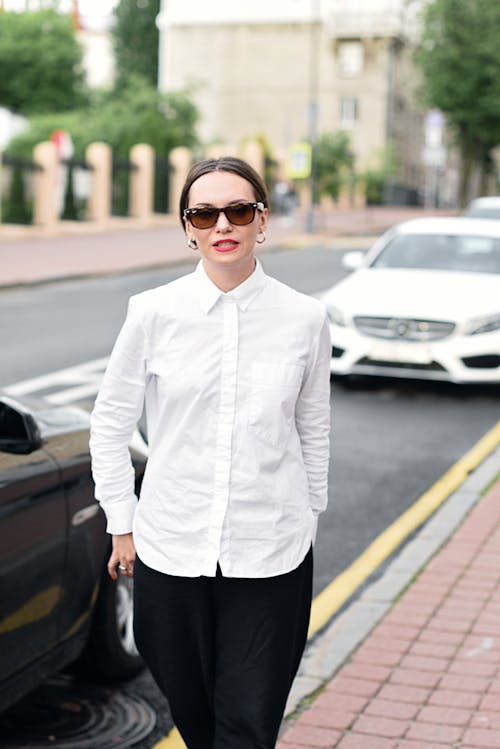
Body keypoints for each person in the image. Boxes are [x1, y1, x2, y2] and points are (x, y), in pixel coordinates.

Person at [89, 156, 331, 749]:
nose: (223, 224)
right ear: (188, 227)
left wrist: (309, 516)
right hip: (171, 549)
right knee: (196, 719)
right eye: (205, 212)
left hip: (270, 553)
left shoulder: (305, 317)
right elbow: (110, 424)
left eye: (238, 210)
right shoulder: (152, 313)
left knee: (246, 726)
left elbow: (313, 426)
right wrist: (123, 526)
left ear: (262, 221)